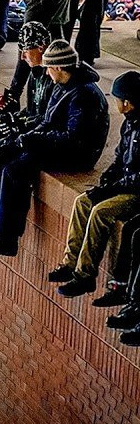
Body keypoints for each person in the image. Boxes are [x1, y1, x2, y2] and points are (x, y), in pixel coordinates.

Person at [0, 38, 107, 256]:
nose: (47, 73)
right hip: (56, 142)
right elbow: (46, 121)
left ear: (59, 67)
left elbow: (73, 138)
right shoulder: (63, 85)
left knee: (15, 169)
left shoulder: (83, 94)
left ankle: (6, 237)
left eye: (49, 68)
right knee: (2, 153)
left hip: (78, 153)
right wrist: (20, 139)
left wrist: (28, 141)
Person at [49, 70, 140, 298]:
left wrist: (113, 188)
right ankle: (70, 263)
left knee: (100, 212)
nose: (116, 104)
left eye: (117, 100)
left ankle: (85, 275)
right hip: (123, 184)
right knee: (83, 201)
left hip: (135, 191)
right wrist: (107, 180)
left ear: (127, 103)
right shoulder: (130, 124)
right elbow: (119, 157)